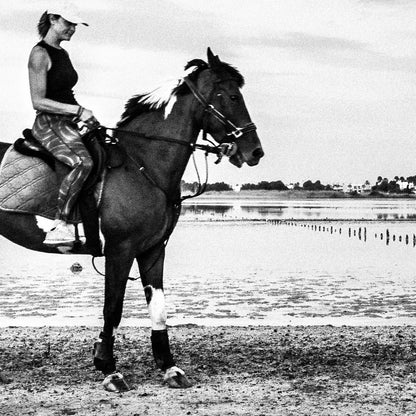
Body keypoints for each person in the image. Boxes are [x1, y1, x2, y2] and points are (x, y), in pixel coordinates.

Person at [28, 3, 98, 246]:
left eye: (75, 25)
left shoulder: (63, 53)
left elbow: (64, 93)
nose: (72, 29)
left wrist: (85, 117)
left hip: (68, 123)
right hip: (48, 124)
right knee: (82, 162)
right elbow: (38, 101)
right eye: (68, 23)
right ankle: (60, 224)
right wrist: (78, 110)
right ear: (53, 19)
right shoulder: (39, 54)